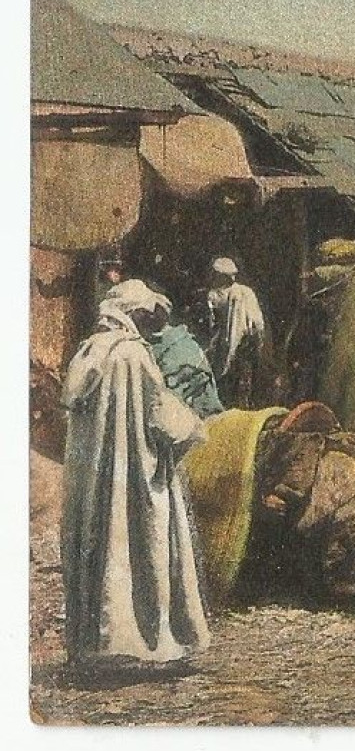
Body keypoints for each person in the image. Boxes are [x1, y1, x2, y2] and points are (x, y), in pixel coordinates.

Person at [61, 279, 210, 673]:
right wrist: (192, 427)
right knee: (143, 543)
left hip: (97, 479)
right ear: (134, 314)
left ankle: (97, 643)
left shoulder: (88, 352)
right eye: (144, 316)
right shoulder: (132, 355)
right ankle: (146, 641)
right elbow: (160, 416)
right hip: (137, 470)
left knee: (104, 544)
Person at [205, 257, 267, 409]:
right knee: (242, 380)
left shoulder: (215, 295)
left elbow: (212, 323)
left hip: (234, 343)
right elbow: (258, 323)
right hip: (243, 342)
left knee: (233, 379)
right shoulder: (244, 291)